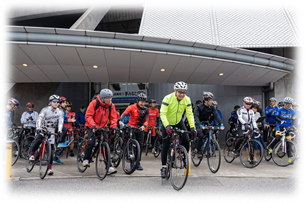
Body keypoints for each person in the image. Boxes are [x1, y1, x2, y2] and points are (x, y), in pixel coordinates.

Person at [159, 81, 196, 179]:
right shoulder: (167, 98)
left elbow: (189, 114)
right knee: (165, 144)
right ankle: (163, 167)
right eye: (180, 92)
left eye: (184, 92)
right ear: (175, 91)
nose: (182, 94)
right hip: (167, 122)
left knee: (186, 140)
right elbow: (162, 113)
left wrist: (193, 127)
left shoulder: (187, 99)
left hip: (179, 122)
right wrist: (167, 125)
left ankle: (183, 156)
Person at [83, 89, 118, 175]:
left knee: (105, 146)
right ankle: (86, 159)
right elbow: (88, 116)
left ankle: (109, 167)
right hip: (91, 125)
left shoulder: (111, 106)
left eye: (111, 98)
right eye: (108, 98)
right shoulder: (94, 103)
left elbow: (113, 117)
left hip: (102, 127)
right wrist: (93, 125)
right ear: (102, 98)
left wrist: (113, 126)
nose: (110, 100)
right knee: (92, 141)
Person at [29, 94, 63, 175]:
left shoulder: (60, 112)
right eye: (54, 101)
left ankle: (49, 169)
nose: (56, 103)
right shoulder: (45, 110)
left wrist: (60, 130)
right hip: (42, 128)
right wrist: (38, 127)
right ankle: (32, 154)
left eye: (58, 102)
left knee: (50, 150)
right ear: (50, 102)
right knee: (39, 139)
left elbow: (61, 122)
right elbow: (39, 119)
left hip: (51, 130)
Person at [119, 93, 149, 170]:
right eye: (141, 101)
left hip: (140, 129)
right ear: (138, 101)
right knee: (132, 146)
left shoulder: (146, 109)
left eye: (144, 102)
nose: (143, 103)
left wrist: (144, 126)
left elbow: (147, 120)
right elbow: (124, 114)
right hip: (131, 128)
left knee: (140, 146)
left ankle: (138, 163)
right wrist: (120, 121)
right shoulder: (132, 107)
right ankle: (132, 163)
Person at [194, 92, 224, 159]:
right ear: (206, 100)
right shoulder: (199, 107)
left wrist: (221, 124)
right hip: (199, 124)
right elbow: (196, 117)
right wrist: (200, 125)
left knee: (210, 135)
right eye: (210, 100)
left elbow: (216, 116)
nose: (211, 101)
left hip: (206, 124)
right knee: (201, 135)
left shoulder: (212, 107)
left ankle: (205, 150)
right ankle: (198, 150)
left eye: (212, 100)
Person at [267, 97, 296, 163]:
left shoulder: (293, 111)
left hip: (288, 127)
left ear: (291, 104)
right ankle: (271, 148)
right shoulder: (280, 110)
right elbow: (276, 117)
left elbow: (293, 120)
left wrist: (293, 127)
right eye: (286, 104)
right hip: (280, 126)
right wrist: (281, 120)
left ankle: (289, 158)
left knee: (289, 142)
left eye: (289, 104)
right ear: (284, 103)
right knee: (277, 138)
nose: (288, 105)